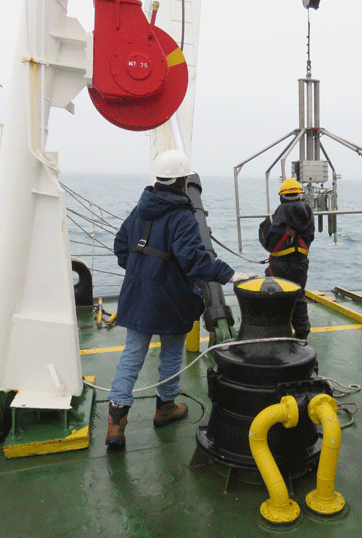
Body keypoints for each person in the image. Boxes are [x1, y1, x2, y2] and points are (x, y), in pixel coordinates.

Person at [106, 149, 256, 450]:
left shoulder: (139, 209)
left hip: (136, 295)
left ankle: (116, 426)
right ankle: (165, 409)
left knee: (132, 354)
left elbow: (121, 246)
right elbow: (195, 261)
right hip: (170, 298)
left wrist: (141, 271)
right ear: (184, 182)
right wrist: (231, 275)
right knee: (172, 354)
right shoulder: (183, 217)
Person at [258, 178, 315, 340]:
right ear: (299, 195)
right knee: (298, 295)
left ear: (282, 196)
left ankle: (277, 331)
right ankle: (302, 333)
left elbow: (266, 241)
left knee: (274, 295)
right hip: (301, 264)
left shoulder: (275, 216)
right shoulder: (308, 214)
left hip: (278, 265)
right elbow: (310, 237)